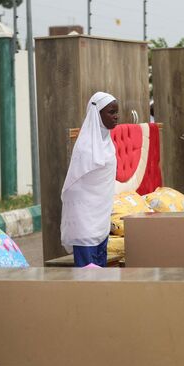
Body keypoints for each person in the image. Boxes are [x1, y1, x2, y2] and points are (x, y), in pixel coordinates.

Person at [61, 92, 118, 267]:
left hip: (101, 219)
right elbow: (74, 186)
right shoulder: (86, 147)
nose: (116, 116)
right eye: (111, 112)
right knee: (88, 276)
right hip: (85, 220)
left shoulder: (108, 143)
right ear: (97, 114)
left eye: (117, 112)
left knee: (100, 274)